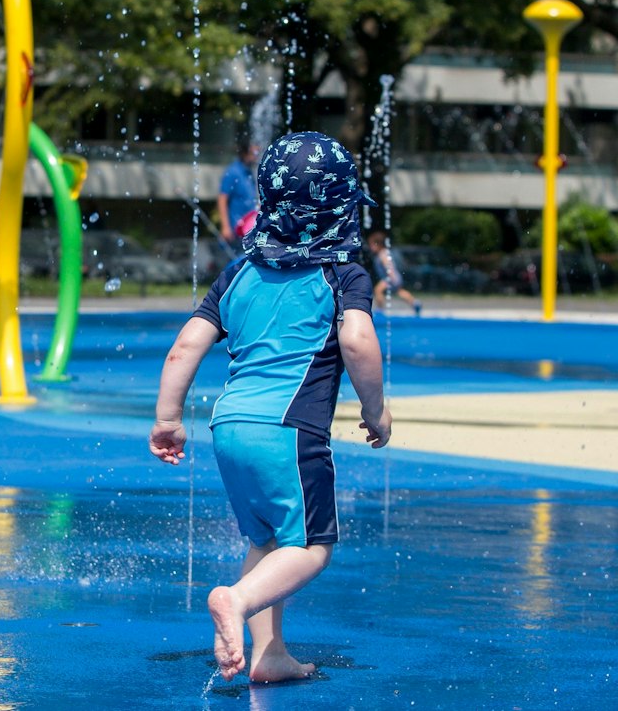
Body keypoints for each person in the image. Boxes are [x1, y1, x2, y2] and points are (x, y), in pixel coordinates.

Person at [150, 131, 392, 683]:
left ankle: (269, 654)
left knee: (268, 540)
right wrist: (375, 411)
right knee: (309, 548)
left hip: (228, 426)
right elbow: (356, 340)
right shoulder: (342, 274)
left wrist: (168, 419)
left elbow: (186, 343)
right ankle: (234, 601)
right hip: (290, 429)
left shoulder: (239, 272)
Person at [214, 138, 261, 248]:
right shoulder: (233, 172)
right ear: (245, 153)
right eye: (254, 153)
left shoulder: (249, 172)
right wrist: (225, 227)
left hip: (249, 228)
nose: (256, 156)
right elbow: (222, 199)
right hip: (236, 230)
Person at [366, 229, 422, 317]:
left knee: (377, 290)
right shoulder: (384, 253)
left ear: (378, 244)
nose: (370, 247)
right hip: (393, 277)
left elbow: (388, 266)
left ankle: (380, 310)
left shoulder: (382, 254)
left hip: (390, 277)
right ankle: (415, 303)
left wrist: (391, 276)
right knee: (400, 292)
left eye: (372, 245)